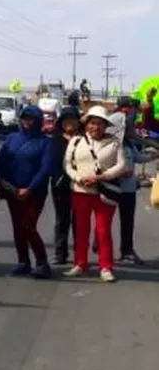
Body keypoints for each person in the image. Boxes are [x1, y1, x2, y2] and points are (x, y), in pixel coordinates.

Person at [62, 105, 126, 283]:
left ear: (105, 125)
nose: (95, 127)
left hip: (105, 192)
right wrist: (78, 178)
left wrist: (100, 177)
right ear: (86, 124)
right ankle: (80, 263)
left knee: (103, 231)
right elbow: (68, 164)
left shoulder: (114, 142)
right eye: (92, 123)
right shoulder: (75, 141)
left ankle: (106, 267)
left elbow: (121, 166)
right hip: (81, 191)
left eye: (99, 124)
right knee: (81, 230)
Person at [0, 106, 53, 278]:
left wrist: (30, 188)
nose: (27, 122)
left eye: (31, 118)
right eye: (25, 118)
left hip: (34, 192)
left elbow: (45, 168)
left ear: (38, 120)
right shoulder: (12, 138)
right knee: (18, 228)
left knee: (28, 226)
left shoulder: (45, 142)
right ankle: (23, 261)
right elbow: (0, 163)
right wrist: (6, 184)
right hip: (12, 190)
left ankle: (42, 262)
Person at [113, 112, 153, 265]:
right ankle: (100, 245)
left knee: (128, 222)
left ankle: (127, 251)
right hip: (112, 188)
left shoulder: (129, 144)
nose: (133, 131)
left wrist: (153, 156)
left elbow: (138, 158)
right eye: (130, 128)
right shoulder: (111, 143)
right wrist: (119, 172)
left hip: (129, 190)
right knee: (105, 222)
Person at [50, 106, 81, 265]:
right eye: (66, 119)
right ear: (61, 122)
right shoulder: (54, 139)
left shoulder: (85, 139)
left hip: (81, 186)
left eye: (73, 119)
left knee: (79, 221)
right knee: (61, 220)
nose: (69, 122)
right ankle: (60, 253)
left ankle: (79, 255)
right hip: (60, 185)